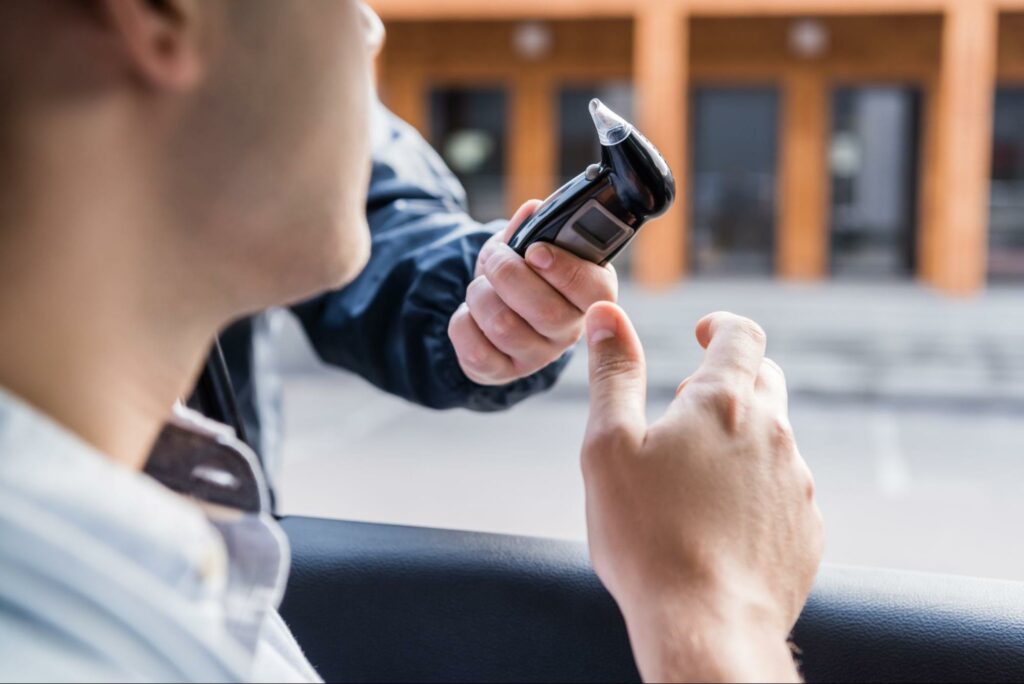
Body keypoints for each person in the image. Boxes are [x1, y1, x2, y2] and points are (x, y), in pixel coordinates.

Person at [0, 1, 824, 682]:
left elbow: (380, 208)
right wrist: (713, 617)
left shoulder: (166, 555)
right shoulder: (68, 641)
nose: (371, 28)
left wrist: (475, 294)